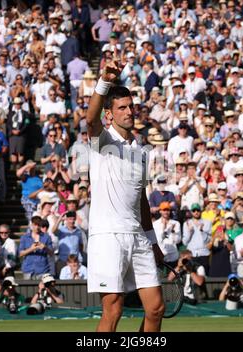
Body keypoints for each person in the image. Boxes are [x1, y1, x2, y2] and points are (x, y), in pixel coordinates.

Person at [86, 49, 165, 332]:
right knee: (114, 309)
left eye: (131, 106)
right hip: (107, 236)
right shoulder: (102, 140)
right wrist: (103, 82)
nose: (129, 111)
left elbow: (141, 199)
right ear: (110, 114)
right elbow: (90, 120)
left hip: (138, 237)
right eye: (121, 108)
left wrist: (153, 241)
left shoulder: (142, 150)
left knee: (156, 308)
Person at [182, 203, 212, 275]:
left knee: (204, 276)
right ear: (191, 212)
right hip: (192, 254)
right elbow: (185, 242)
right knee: (191, 275)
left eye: (198, 210)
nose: (196, 212)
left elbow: (208, 240)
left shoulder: (207, 222)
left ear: (201, 211)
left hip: (204, 254)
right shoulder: (187, 223)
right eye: (194, 210)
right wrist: (189, 232)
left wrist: (202, 231)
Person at [153, 201, 181, 269]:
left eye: (167, 210)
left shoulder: (175, 223)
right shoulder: (155, 224)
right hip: (161, 256)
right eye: (164, 210)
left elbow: (178, 240)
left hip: (173, 256)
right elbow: (157, 240)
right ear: (160, 211)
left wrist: (173, 231)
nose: (166, 212)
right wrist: (164, 229)